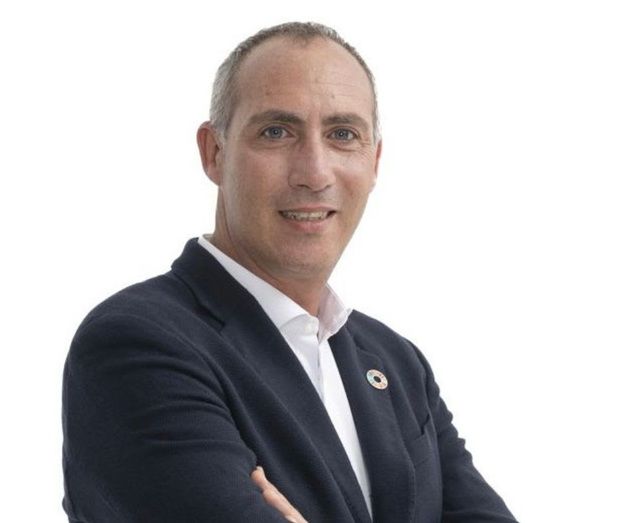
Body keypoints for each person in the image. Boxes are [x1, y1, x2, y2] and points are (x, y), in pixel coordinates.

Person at [62, 21, 517, 523]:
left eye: (343, 135)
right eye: (276, 132)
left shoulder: (397, 362)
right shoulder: (137, 345)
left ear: (374, 161)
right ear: (214, 152)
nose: (314, 173)